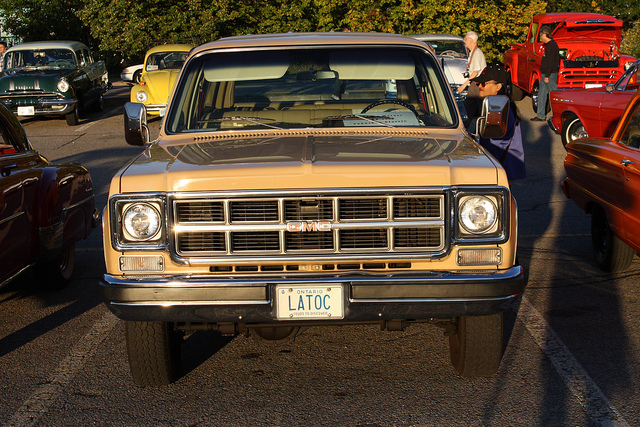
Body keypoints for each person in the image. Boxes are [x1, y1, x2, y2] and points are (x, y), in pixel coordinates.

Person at [471, 64, 526, 180]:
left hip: (499, 169)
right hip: (500, 167)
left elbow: (493, 143)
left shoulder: (499, 108)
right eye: (478, 83)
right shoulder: (496, 104)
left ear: (498, 86)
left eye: (484, 83)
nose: (480, 86)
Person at [531, 25, 559, 122]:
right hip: (545, 74)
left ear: (546, 35)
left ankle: (560, 115)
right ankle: (541, 115)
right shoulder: (549, 46)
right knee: (542, 94)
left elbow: (551, 62)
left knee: (555, 95)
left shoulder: (552, 46)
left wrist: (547, 75)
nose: (540, 37)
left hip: (550, 74)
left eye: (541, 35)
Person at [458, 31, 486, 124]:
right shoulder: (474, 52)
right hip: (476, 84)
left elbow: (475, 72)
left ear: (471, 40)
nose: (464, 40)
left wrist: (463, 86)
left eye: (466, 38)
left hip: (476, 84)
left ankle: (466, 126)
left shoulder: (477, 53)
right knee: (472, 107)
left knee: (469, 107)